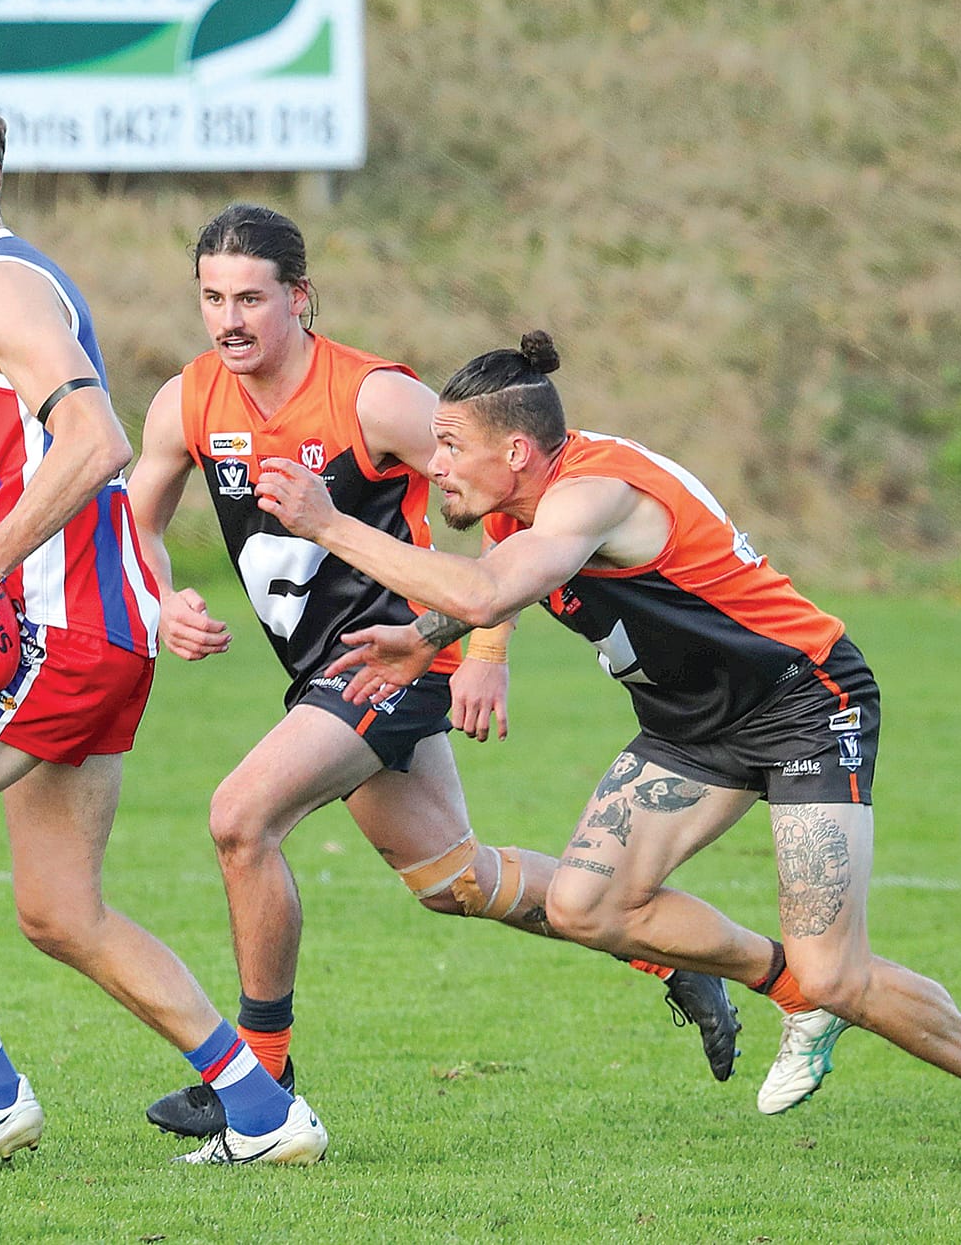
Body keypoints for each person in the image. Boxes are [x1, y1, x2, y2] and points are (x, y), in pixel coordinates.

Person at [252, 330, 961, 1177]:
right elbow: (495, 581)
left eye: (449, 446)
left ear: (515, 452)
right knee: (584, 906)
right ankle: (790, 989)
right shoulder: (517, 502)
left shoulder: (594, 494)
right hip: (691, 725)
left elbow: (491, 588)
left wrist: (329, 523)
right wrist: (427, 639)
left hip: (803, 703)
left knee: (838, 972)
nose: (434, 466)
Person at [122, 205, 741, 1141]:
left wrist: (485, 649)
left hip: (398, 656)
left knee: (240, 818)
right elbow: (138, 522)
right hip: (322, 673)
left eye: (250, 298)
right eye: (212, 298)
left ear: (300, 297)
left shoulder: (376, 398)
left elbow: (508, 498)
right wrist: (163, 599)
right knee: (456, 879)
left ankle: (258, 1078)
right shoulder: (188, 400)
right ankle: (663, 948)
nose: (229, 320)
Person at [0, 90, 325, 1172]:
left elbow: (96, 439)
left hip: (61, 636)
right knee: (58, 911)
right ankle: (263, 1109)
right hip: (87, 633)